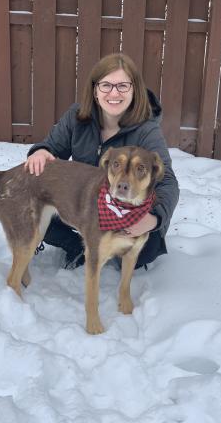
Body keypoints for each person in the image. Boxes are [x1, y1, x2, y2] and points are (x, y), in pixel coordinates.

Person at [25, 53, 179, 269]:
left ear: (134, 90)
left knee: (145, 252)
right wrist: (41, 151)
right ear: (95, 90)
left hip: (125, 210)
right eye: (106, 85)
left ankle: (116, 249)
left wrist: (153, 218)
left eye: (123, 86)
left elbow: (168, 181)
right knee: (32, 207)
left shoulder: (147, 131)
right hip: (85, 206)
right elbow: (52, 148)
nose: (114, 93)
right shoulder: (77, 117)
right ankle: (76, 246)